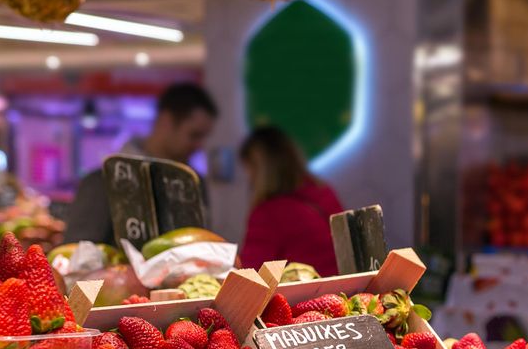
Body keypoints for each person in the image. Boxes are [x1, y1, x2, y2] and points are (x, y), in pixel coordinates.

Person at [64, 82, 218, 246]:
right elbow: (74, 254)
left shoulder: (194, 183)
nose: (200, 145)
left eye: (204, 137)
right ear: (166, 121)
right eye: (194, 135)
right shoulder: (102, 182)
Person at [237, 126, 342, 276]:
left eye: (249, 169)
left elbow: (249, 276)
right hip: (342, 293)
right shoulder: (324, 192)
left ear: (257, 168)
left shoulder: (268, 213)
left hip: (304, 296)